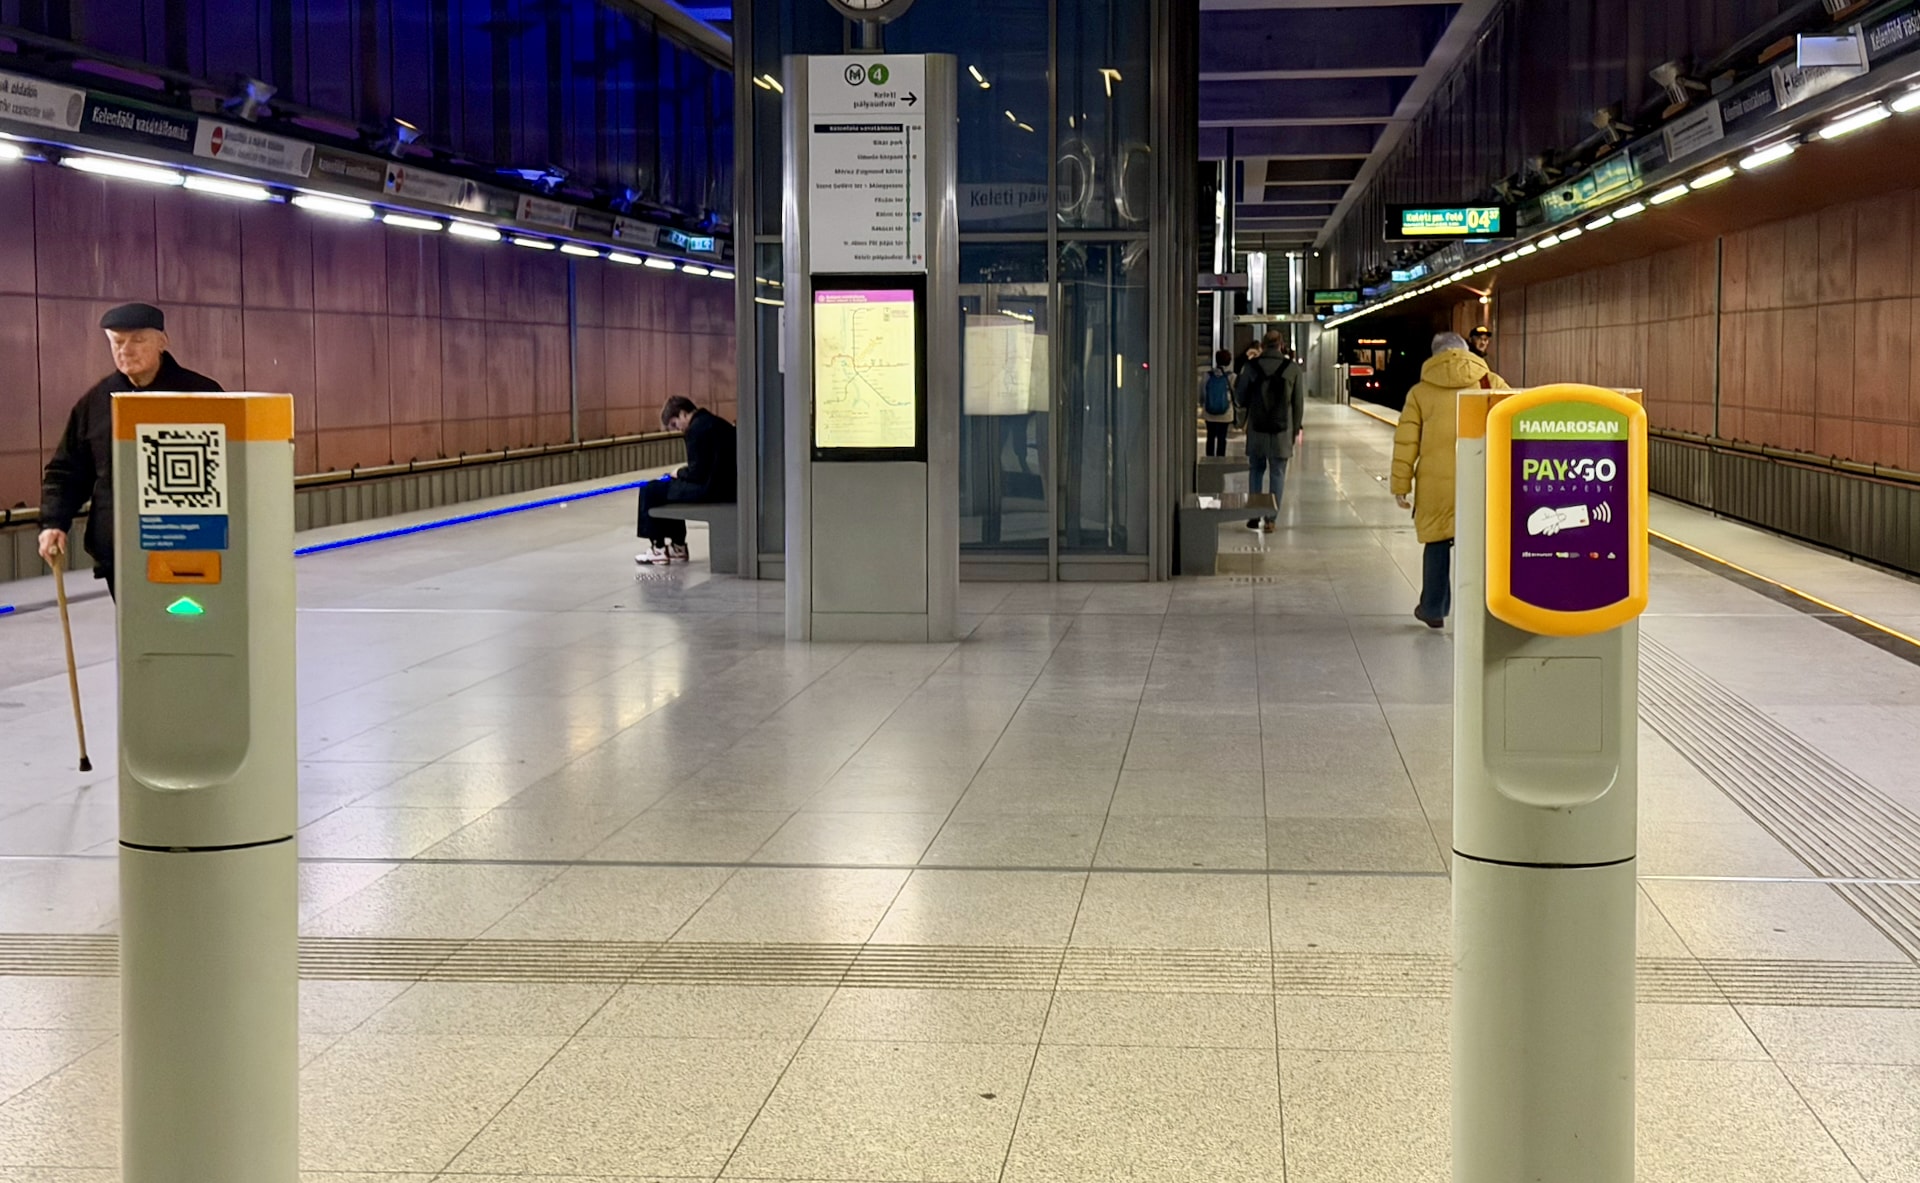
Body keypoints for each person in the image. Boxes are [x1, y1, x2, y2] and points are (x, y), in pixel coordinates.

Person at [39, 303, 223, 600]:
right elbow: (67, 471)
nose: (126, 350)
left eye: (137, 340)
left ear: (162, 342)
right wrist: (53, 523)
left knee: (186, 625)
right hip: (120, 551)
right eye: (117, 342)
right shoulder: (97, 402)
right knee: (137, 629)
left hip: (192, 544)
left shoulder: (201, 394)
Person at [1392, 331, 1507, 628]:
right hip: (1481, 480)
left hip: (1435, 486)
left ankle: (1433, 608)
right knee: (1483, 544)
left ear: (1434, 356)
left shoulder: (1420, 392)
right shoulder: (1491, 383)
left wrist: (1401, 486)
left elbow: (1406, 442)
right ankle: (1486, 609)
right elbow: (1513, 425)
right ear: (1465, 351)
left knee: (1437, 543)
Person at [636, 395, 737, 565]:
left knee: (650, 489)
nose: (678, 429)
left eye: (675, 424)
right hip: (727, 486)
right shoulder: (716, 422)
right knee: (669, 489)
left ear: (683, 413)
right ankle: (678, 546)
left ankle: (658, 548)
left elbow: (696, 473)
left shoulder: (696, 430)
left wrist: (679, 472)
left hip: (709, 489)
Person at [1232, 330, 1304, 534]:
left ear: (1263, 345)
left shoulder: (1251, 367)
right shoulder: (1292, 369)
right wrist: (1294, 430)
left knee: (1256, 470)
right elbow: (1298, 404)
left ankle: (1255, 514)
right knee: (1277, 473)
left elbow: (1240, 397)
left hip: (1257, 429)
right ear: (1281, 345)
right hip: (1281, 431)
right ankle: (1271, 519)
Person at [1198, 349, 1235, 457]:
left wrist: (1203, 404)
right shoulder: (1231, 377)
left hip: (1209, 412)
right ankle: (1220, 458)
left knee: (1210, 437)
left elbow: (1202, 393)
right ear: (1229, 361)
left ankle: (1209, 458)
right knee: (1222, 438)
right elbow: (1236, 393)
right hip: (1226, 413)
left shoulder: (1207, 375)